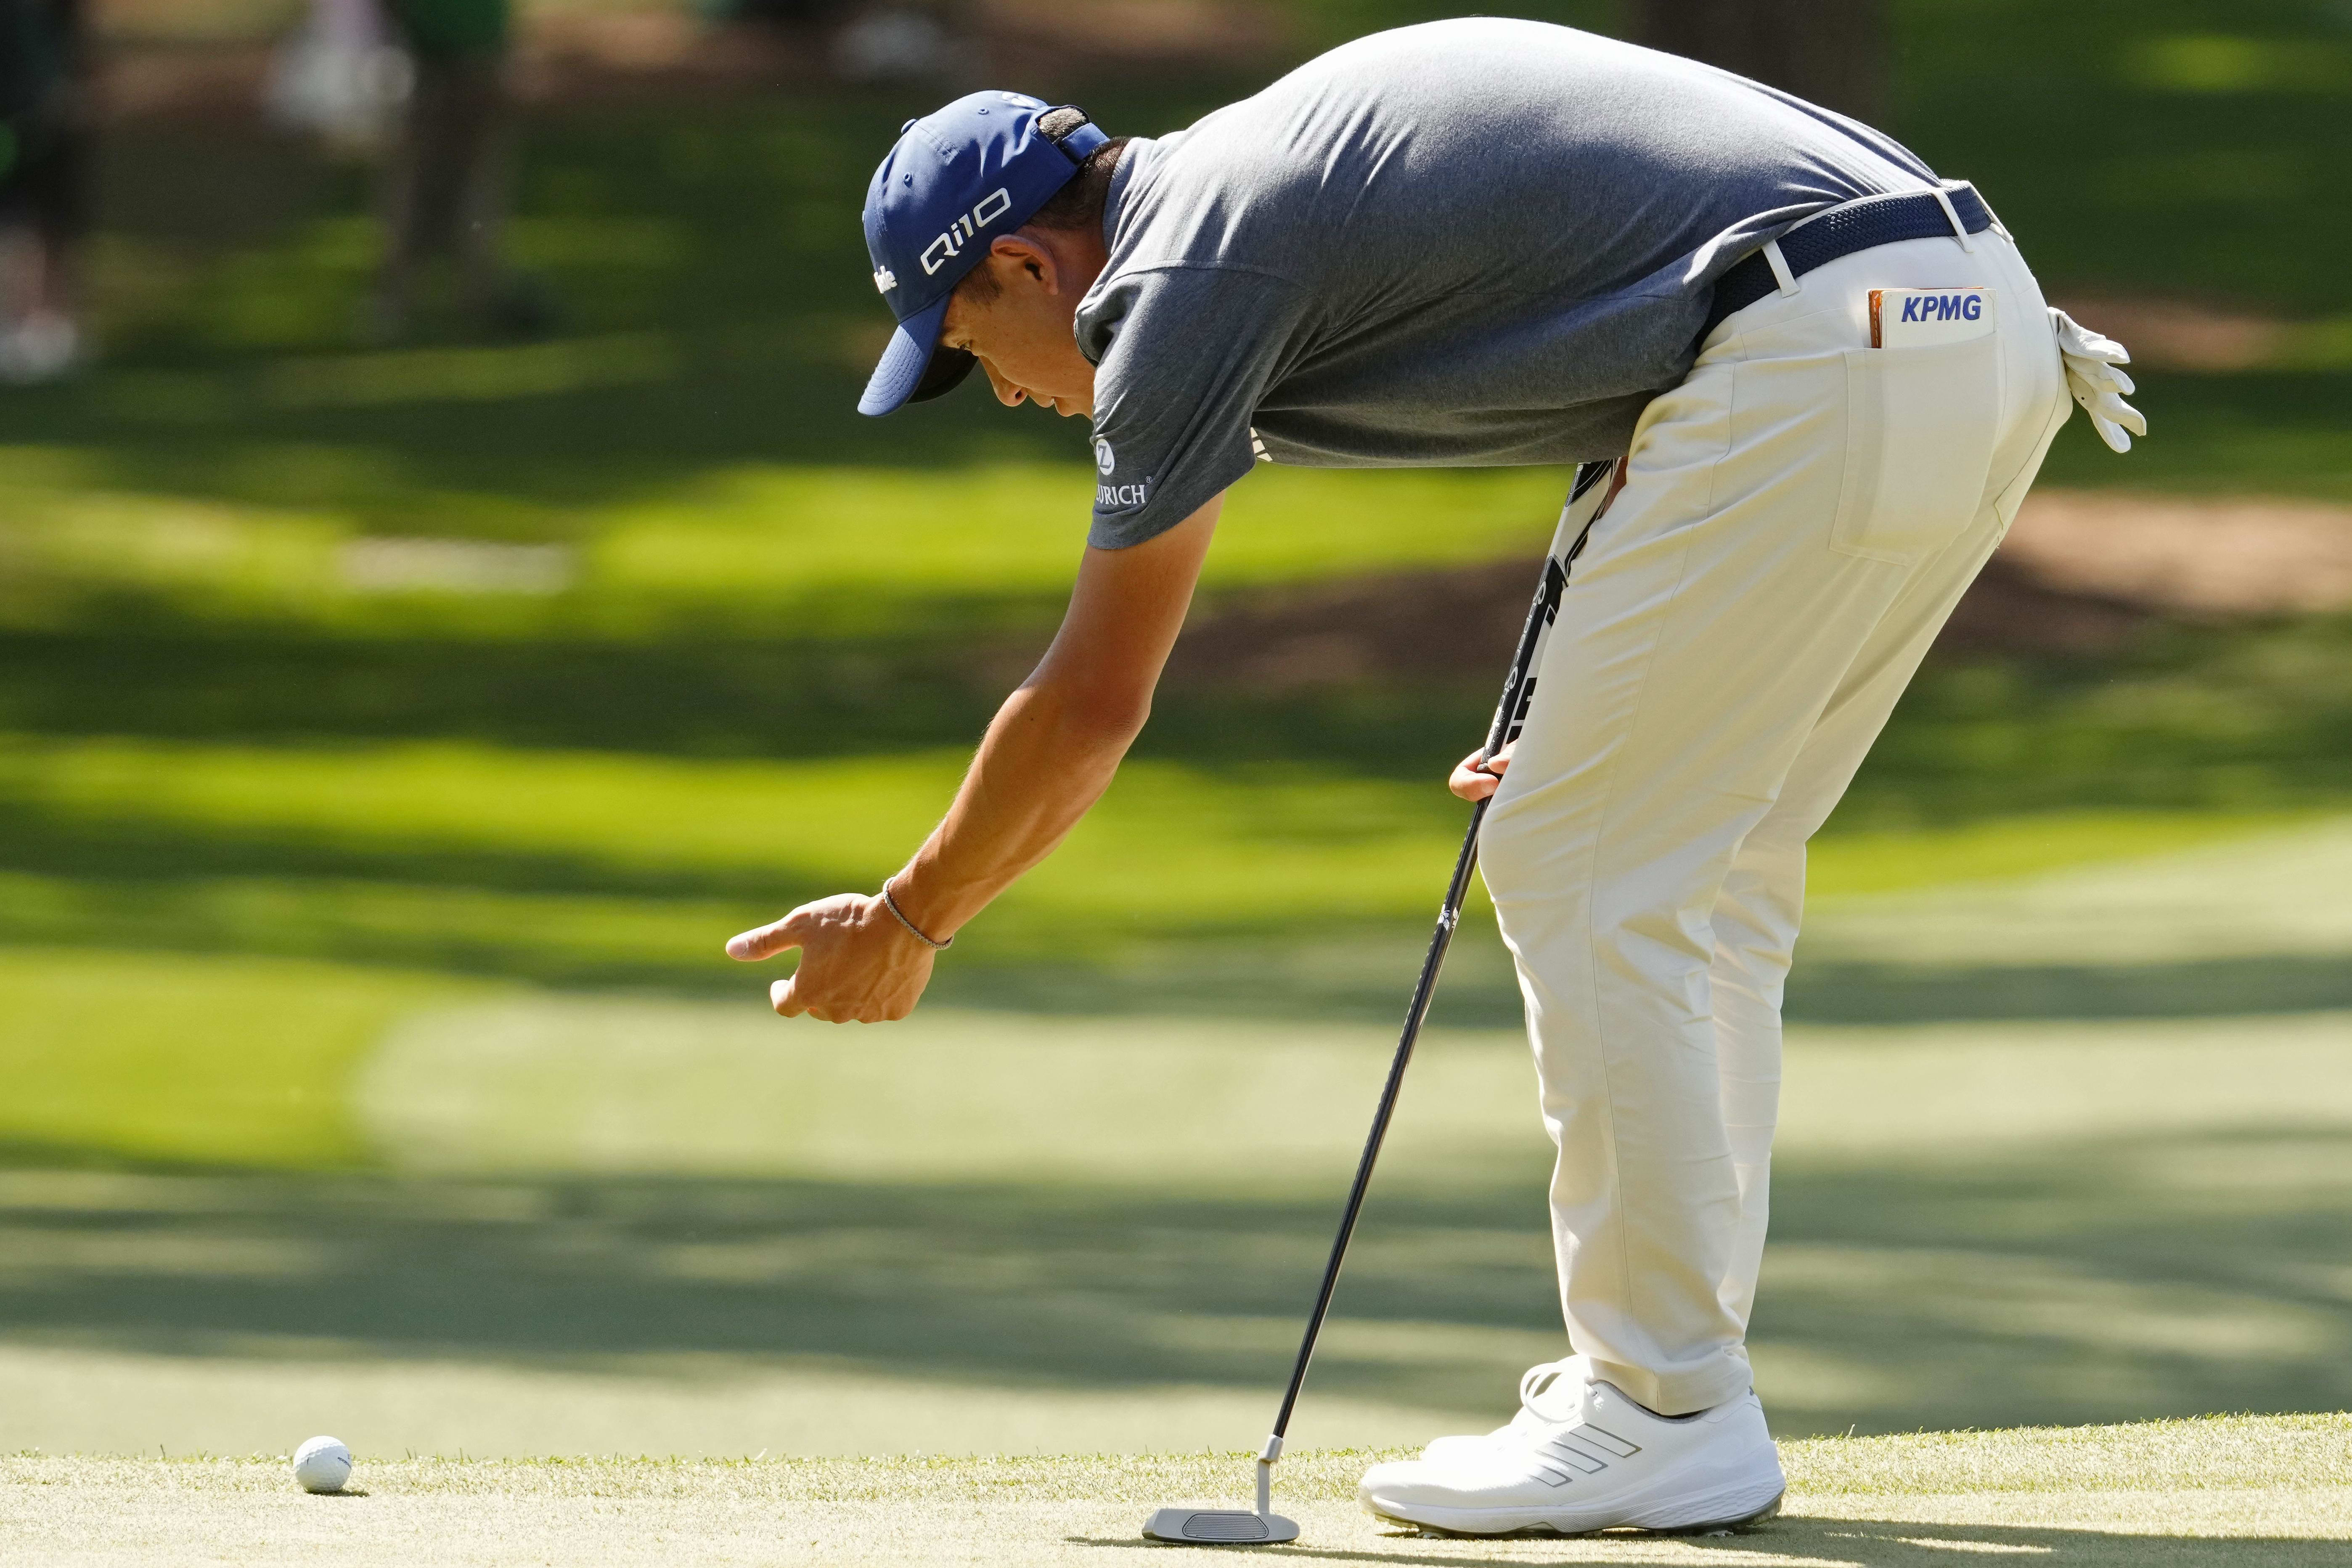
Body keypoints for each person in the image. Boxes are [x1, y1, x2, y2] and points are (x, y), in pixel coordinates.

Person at [724, 19, 2144, 1536]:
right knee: (1696, 872)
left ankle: (1660, 1397)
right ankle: (1673, 1378)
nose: (998, 392)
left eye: (961, 351)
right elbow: (1637, 371)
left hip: (1813, 337)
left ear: (1024, 267)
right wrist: (1589, 700)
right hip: (1960, 319)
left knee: (1588, 866)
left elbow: (1090, 699)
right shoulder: (1239, 204)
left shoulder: (1172, 283)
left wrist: (912, 914)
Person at [0, 0, 91, 383]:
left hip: (41, 121)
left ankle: (43, 326)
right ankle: (20, 323)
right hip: (19, 119)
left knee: (44, 219)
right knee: (17, 221)